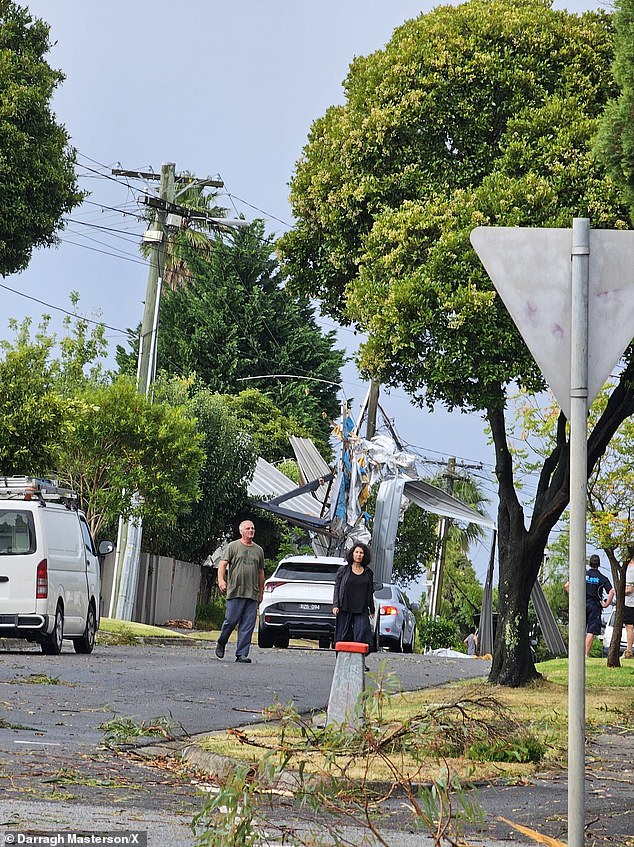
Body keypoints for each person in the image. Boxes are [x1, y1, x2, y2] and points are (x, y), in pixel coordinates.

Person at [215, 519, 265, 664]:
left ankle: (242, 654)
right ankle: (222, 641)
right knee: (231, 621)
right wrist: (222, 580)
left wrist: (261, 591)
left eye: (253, 528)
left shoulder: (258, 550)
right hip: (236, 591)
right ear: (241, 531)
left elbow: (261, 572)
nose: (251, 531)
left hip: (252, 593)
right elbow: (222, 564)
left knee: (248, 625)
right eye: (248, 528)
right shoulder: (233, 546)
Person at [566, 554, 614, 658]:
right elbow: (612, 591)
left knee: (578, 629)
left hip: (581, 605)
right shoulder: (602, 578)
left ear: (589, 563)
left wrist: (573, 599)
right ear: (599, 564)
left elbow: (567, 585)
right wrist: (606, 604)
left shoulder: (582, 575)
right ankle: (585, 655)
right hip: (595, 606)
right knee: (591, 631)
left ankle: (575, 654)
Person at [332, 543, 376, 650]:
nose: (359, 555)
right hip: (344, 607)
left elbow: (370, 592)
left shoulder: (368, 573)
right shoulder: (343, 570)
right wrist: (336, 605)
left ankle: (359, 663)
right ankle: (342, 661)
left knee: (362, 636)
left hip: (361, 609)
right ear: (352, 554)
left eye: (361, 553)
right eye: (356, 552)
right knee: (342, 636)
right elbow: (337, 588)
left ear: (364, 556)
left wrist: (372, 608)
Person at [623, 555, 634, 659]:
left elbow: (629, 589)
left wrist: (620, 592)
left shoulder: (631, 569)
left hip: (630, 602)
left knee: (629, 627)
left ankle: (629, 651)